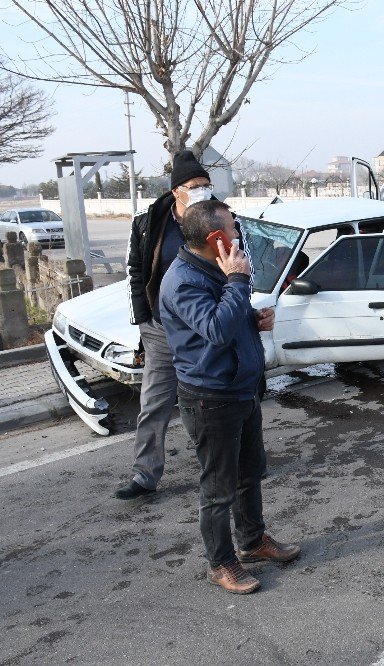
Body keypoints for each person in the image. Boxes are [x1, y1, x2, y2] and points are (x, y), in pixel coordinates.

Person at [159, 199, 299, 594]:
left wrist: (252, 321)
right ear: (216, 237)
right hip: (211, 397)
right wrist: (238, 282)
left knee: (249, 473)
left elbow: (227, 320)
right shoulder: (184, 279)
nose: (239, 237)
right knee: (218, 487)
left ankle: (253, 542)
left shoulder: (213, 266)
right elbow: (216, 330)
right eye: (234, 230)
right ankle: (221, 563)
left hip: (240, 390)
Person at [115, 150, 215, 500]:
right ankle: (145, 475)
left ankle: (229, 465)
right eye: (195, 186)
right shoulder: (148, 223)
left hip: (205, 328)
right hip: (160, 330)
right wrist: (143, 320)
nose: (203, 192)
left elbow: (239, 265)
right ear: (177, 191)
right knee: (154, 403)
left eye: (207, 185)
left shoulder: (219, 217)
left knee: (213, 401)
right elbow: (136, 272)